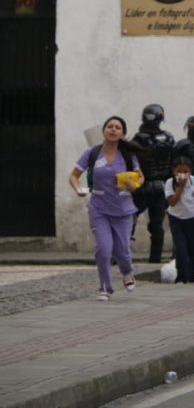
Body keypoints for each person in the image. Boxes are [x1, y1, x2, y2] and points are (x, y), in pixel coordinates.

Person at [68, 116, 145, 301]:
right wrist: (78, 189)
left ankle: (127, 272)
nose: (113, 129)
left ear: (123, 133)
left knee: (123, 251)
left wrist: (134, 185)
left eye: (117, 127)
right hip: (99, 208)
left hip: (123, 209)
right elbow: (74, 175)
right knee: (103, 249)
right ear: (104, 131)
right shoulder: (92, 152)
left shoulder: (128, 155)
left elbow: (140, 177)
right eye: (109, 126)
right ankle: (105, 288)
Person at [131, 104, 176, 262]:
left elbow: (131, 161)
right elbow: (174, 164)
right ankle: (155, 258)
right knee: (157, 225)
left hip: (142, 185)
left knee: (129, 219)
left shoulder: (138, 139)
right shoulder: (169, 138)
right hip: (161, 186)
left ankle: (121, 254)